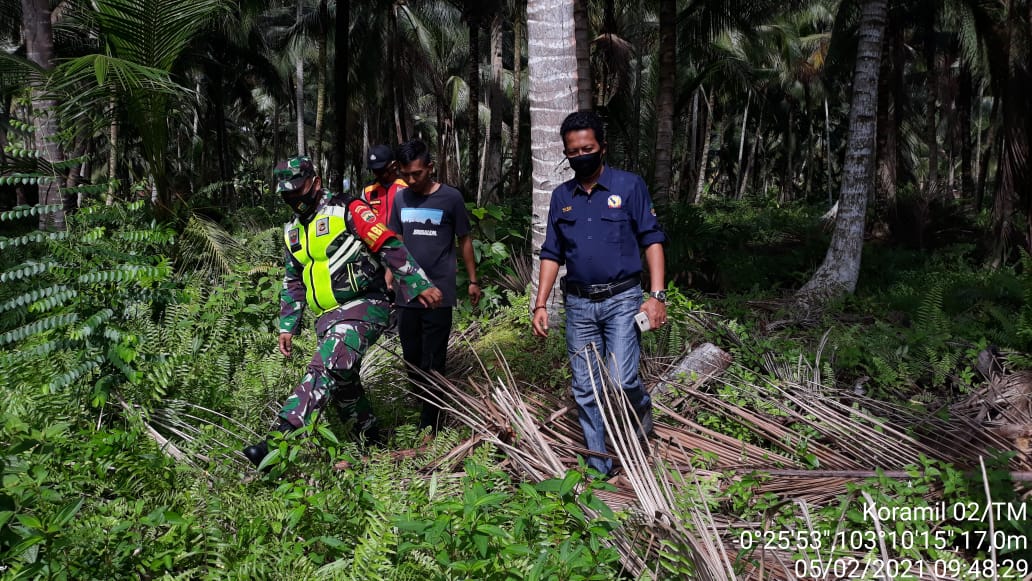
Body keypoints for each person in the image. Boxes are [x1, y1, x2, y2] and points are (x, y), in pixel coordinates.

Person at [243, 156, 443, 468]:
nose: (293, 199)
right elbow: (293, 279)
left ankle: (278, 439)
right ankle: (371, 444)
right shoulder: (292, 232)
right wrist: (287, 325)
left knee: (324, 367)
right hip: (327, 317)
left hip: (366, 306)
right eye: (287, 195)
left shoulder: (348, 209)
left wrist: (417, 282)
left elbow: (387, 244)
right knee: (343, 385)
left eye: (298, 191)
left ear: (315, 183)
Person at [530, 110, 668, 477]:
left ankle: (640, 427)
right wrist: (540, 304)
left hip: (623, 300)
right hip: (578, 304)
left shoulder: (629, 186)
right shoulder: (562, 196)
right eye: (572, 151)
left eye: (586, 148)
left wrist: (657, 296)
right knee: (586, 387)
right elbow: (551, 253)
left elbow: (652, 240)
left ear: (602, 147)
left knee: (622, 381)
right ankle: (598, 463)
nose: (580, 156)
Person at [388, 139, 481, 435]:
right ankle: (422, 402)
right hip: (407, 291)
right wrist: (392, 273)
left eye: (417, 173)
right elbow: (396, 239)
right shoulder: (401, 199)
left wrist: (473, 280)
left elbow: (464, 238)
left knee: (434, 358)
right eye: (406, 174)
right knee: (411, 355)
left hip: (440, 291)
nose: (412, 180)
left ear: (430, 167)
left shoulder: (451, 198)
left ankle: (432, 424)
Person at [361, 144, 406, 221]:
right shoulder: (367, 190)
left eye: (381, 169)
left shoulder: (406, 186)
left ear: (393, 165)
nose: (377, 173)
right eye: (374, 170)